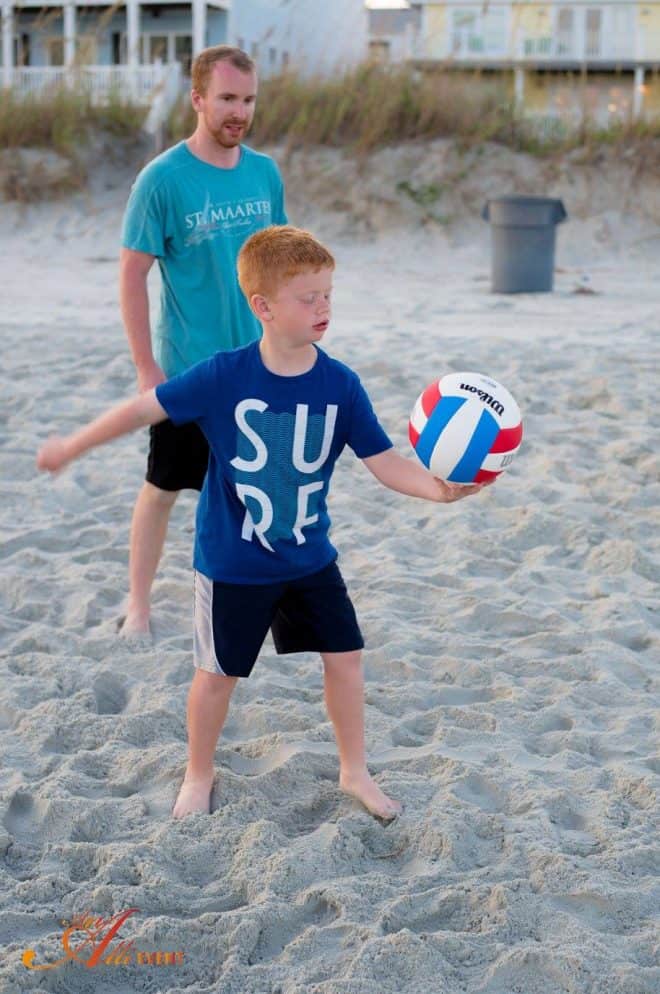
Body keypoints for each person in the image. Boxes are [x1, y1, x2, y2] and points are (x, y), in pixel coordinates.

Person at [37, 226, 490, 822]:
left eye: (329, 294)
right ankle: (199, 772)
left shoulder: (340, 384)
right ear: (264, 307)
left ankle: (354, 770)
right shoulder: (223, 376)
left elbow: (383, 463)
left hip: (309, 557)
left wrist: (437, 489)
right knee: (218, 675)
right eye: (309, 298)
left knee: (346, 658)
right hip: (234, 564)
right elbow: (140, 410)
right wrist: (72, 446)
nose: (324, 307)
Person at [119, 44, 287, 638]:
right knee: (164, 487)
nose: (239, 111)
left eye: (247, 99)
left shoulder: (265, 172)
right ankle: (138, 604)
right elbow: (132, 274)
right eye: (227, 99)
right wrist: (147, 370)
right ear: (197, 99)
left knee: (258, 495)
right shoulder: (163, 179)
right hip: (189, 371)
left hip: (258, 366)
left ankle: (252, 602)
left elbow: (279, 267)